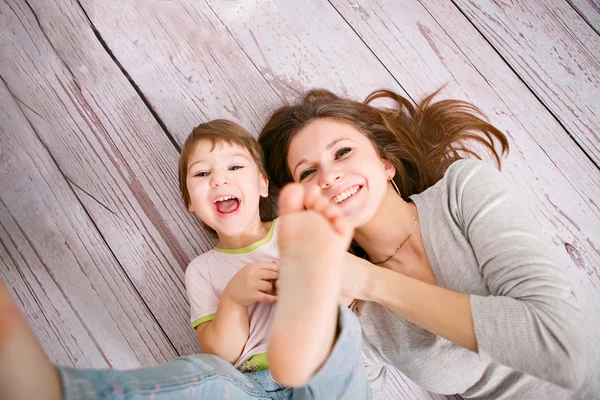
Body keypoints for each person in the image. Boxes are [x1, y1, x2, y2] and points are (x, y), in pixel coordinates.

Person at [258, 88, 600, 399]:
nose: (329, 176)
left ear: (385, 163)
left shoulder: (461, 192)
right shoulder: (355, 311)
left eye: (343, 152)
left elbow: (562, 348)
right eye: (307, 174)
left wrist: (372, 281)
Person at [0, 120, 370, 400]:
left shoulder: (294, 229)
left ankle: (305, 329)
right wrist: (234, 299)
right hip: (250, 387)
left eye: (234, 168)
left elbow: (349, 295)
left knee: (342, 332)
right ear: (191, 203)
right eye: (203, 174)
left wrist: (313, 281)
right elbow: (220, 355)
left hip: (319, 369)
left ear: (261, 184)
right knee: (203, 373)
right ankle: (70, 391)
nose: (218, 180)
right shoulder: (204, 269)